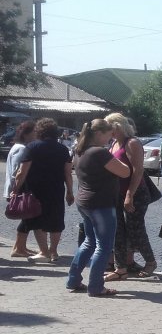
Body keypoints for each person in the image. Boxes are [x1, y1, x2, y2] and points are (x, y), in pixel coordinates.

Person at [66, 120, 130, 296]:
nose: (111, 139)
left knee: (89, 242)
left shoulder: (80, 150)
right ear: (99, 133)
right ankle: (95, 286)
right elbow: (125, 171)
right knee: (104, 246)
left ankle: (73, 279)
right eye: (109, 135)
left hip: (85, 201)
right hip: (101, 204)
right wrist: (116, 156)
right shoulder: (99, 152)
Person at [12, 118, 75, 262]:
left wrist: (15, 189)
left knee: (38, 220)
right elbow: (68, 173)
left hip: (35, 190)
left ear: (39, 131)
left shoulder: (32, 147)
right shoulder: (63, 149)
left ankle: (44, 252)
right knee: (56, 219)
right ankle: (54, 252)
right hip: (56, 189)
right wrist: (70, 192)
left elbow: (22, 172)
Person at [104, 113, 157, 281]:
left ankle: (150, 262)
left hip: (135, 193)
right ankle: (121, 267)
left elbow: (138, 170)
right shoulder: (114, 143)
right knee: (118, 230)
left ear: (118, 126)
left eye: (109, 127)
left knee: (136, 230)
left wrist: (130, 194)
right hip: (117, 193)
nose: (108, 131)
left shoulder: (132, 143)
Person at [4, 120, 37, 257]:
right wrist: (15, 189)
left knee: (26, 218)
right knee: (27, 218)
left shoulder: (19, 147)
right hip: (19, 188)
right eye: (34, 131)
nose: (36, 134)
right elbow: (17, 171)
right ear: (27, 133)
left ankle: (20, 246)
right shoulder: (22, 149)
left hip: (17, 187)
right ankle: (19, 248)